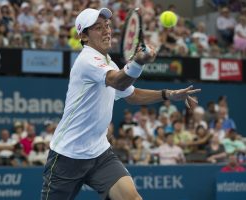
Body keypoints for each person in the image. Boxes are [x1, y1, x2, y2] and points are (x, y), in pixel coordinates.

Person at [41, 7, 201, 200]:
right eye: (98, 28)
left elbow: (131, 95)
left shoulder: (108, 62)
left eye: (107, 26)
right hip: (67, 156)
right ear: (83, 36)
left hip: (99, 153)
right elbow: (118, 81)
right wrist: (138, 63)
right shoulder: (87, 60)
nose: (107, 30)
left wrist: (167, 94)